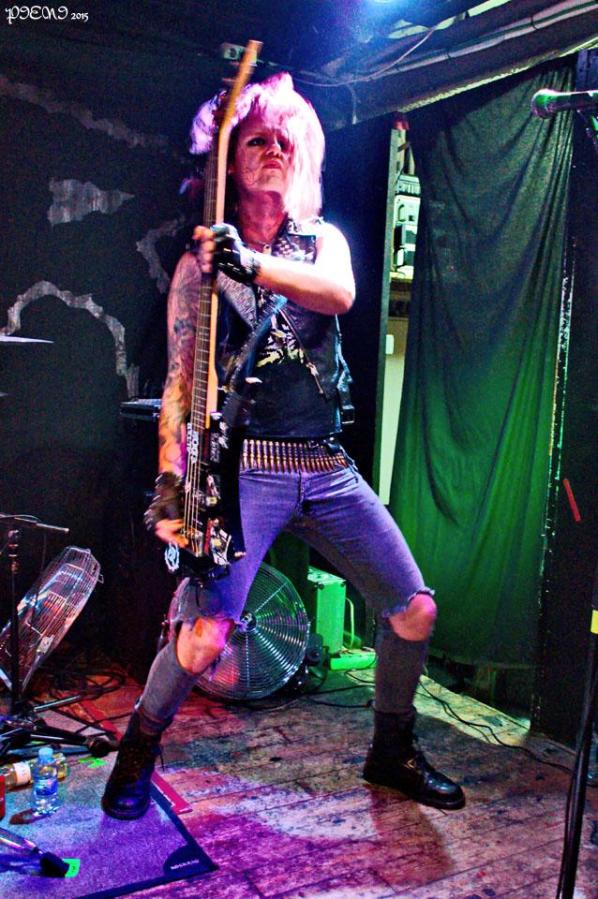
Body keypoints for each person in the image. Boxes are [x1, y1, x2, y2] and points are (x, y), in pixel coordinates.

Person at [101, 72, 465, 821]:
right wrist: (175, 492)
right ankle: (138, 746)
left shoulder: (322, 241)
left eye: (284, 140)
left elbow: (340, 294)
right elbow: (181, 387)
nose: (273, 150)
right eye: (257, 140)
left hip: (324, 465)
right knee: (203, 639)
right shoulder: (199, 269)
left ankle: (391, 750)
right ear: (230, 161)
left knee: (414, 611)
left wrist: (252, 265)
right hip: (246, 473)